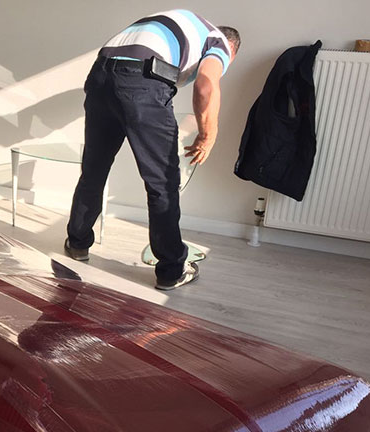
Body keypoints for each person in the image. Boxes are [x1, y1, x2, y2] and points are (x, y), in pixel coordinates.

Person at [63, 10, 239, 290]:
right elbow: (206, 85)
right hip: (141, 82)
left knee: (94, 170)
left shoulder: (186, 24)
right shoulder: (218, 42)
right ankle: (171, 271)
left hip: (100, 76)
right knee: (162, 182)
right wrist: (209, 134)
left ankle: (77, 243)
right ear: (232, 50)